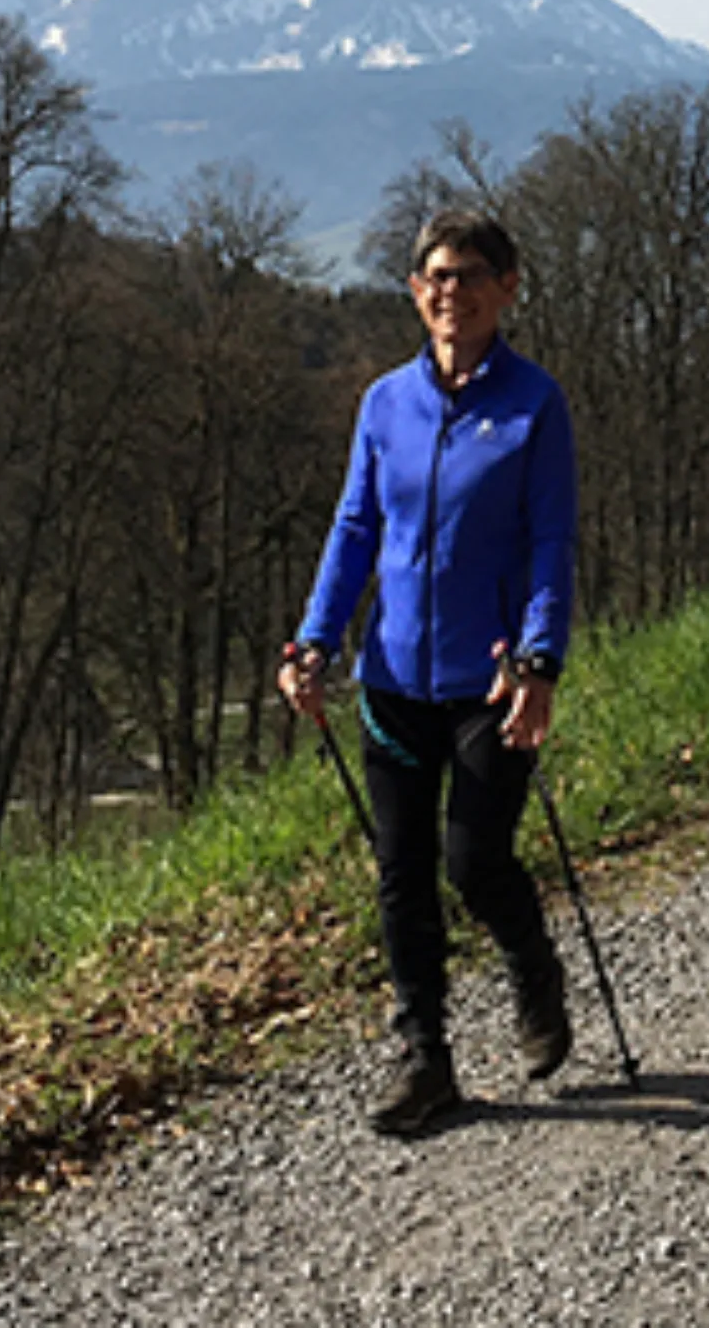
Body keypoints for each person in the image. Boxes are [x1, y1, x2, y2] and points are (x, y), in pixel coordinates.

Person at [279, 209, 580, 1137]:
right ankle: (426, 1058)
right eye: (435, 276)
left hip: (490, 680)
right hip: (393, 680)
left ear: (508, 289)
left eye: (471, 275)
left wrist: (538, 659)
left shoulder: (535, 405)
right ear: (415, 291)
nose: (452, 291)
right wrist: (315, 639)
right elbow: (355, 528)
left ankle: (534, 969)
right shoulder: (385, 404)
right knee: (401, 872)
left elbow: (549, 543)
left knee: (474, 859)